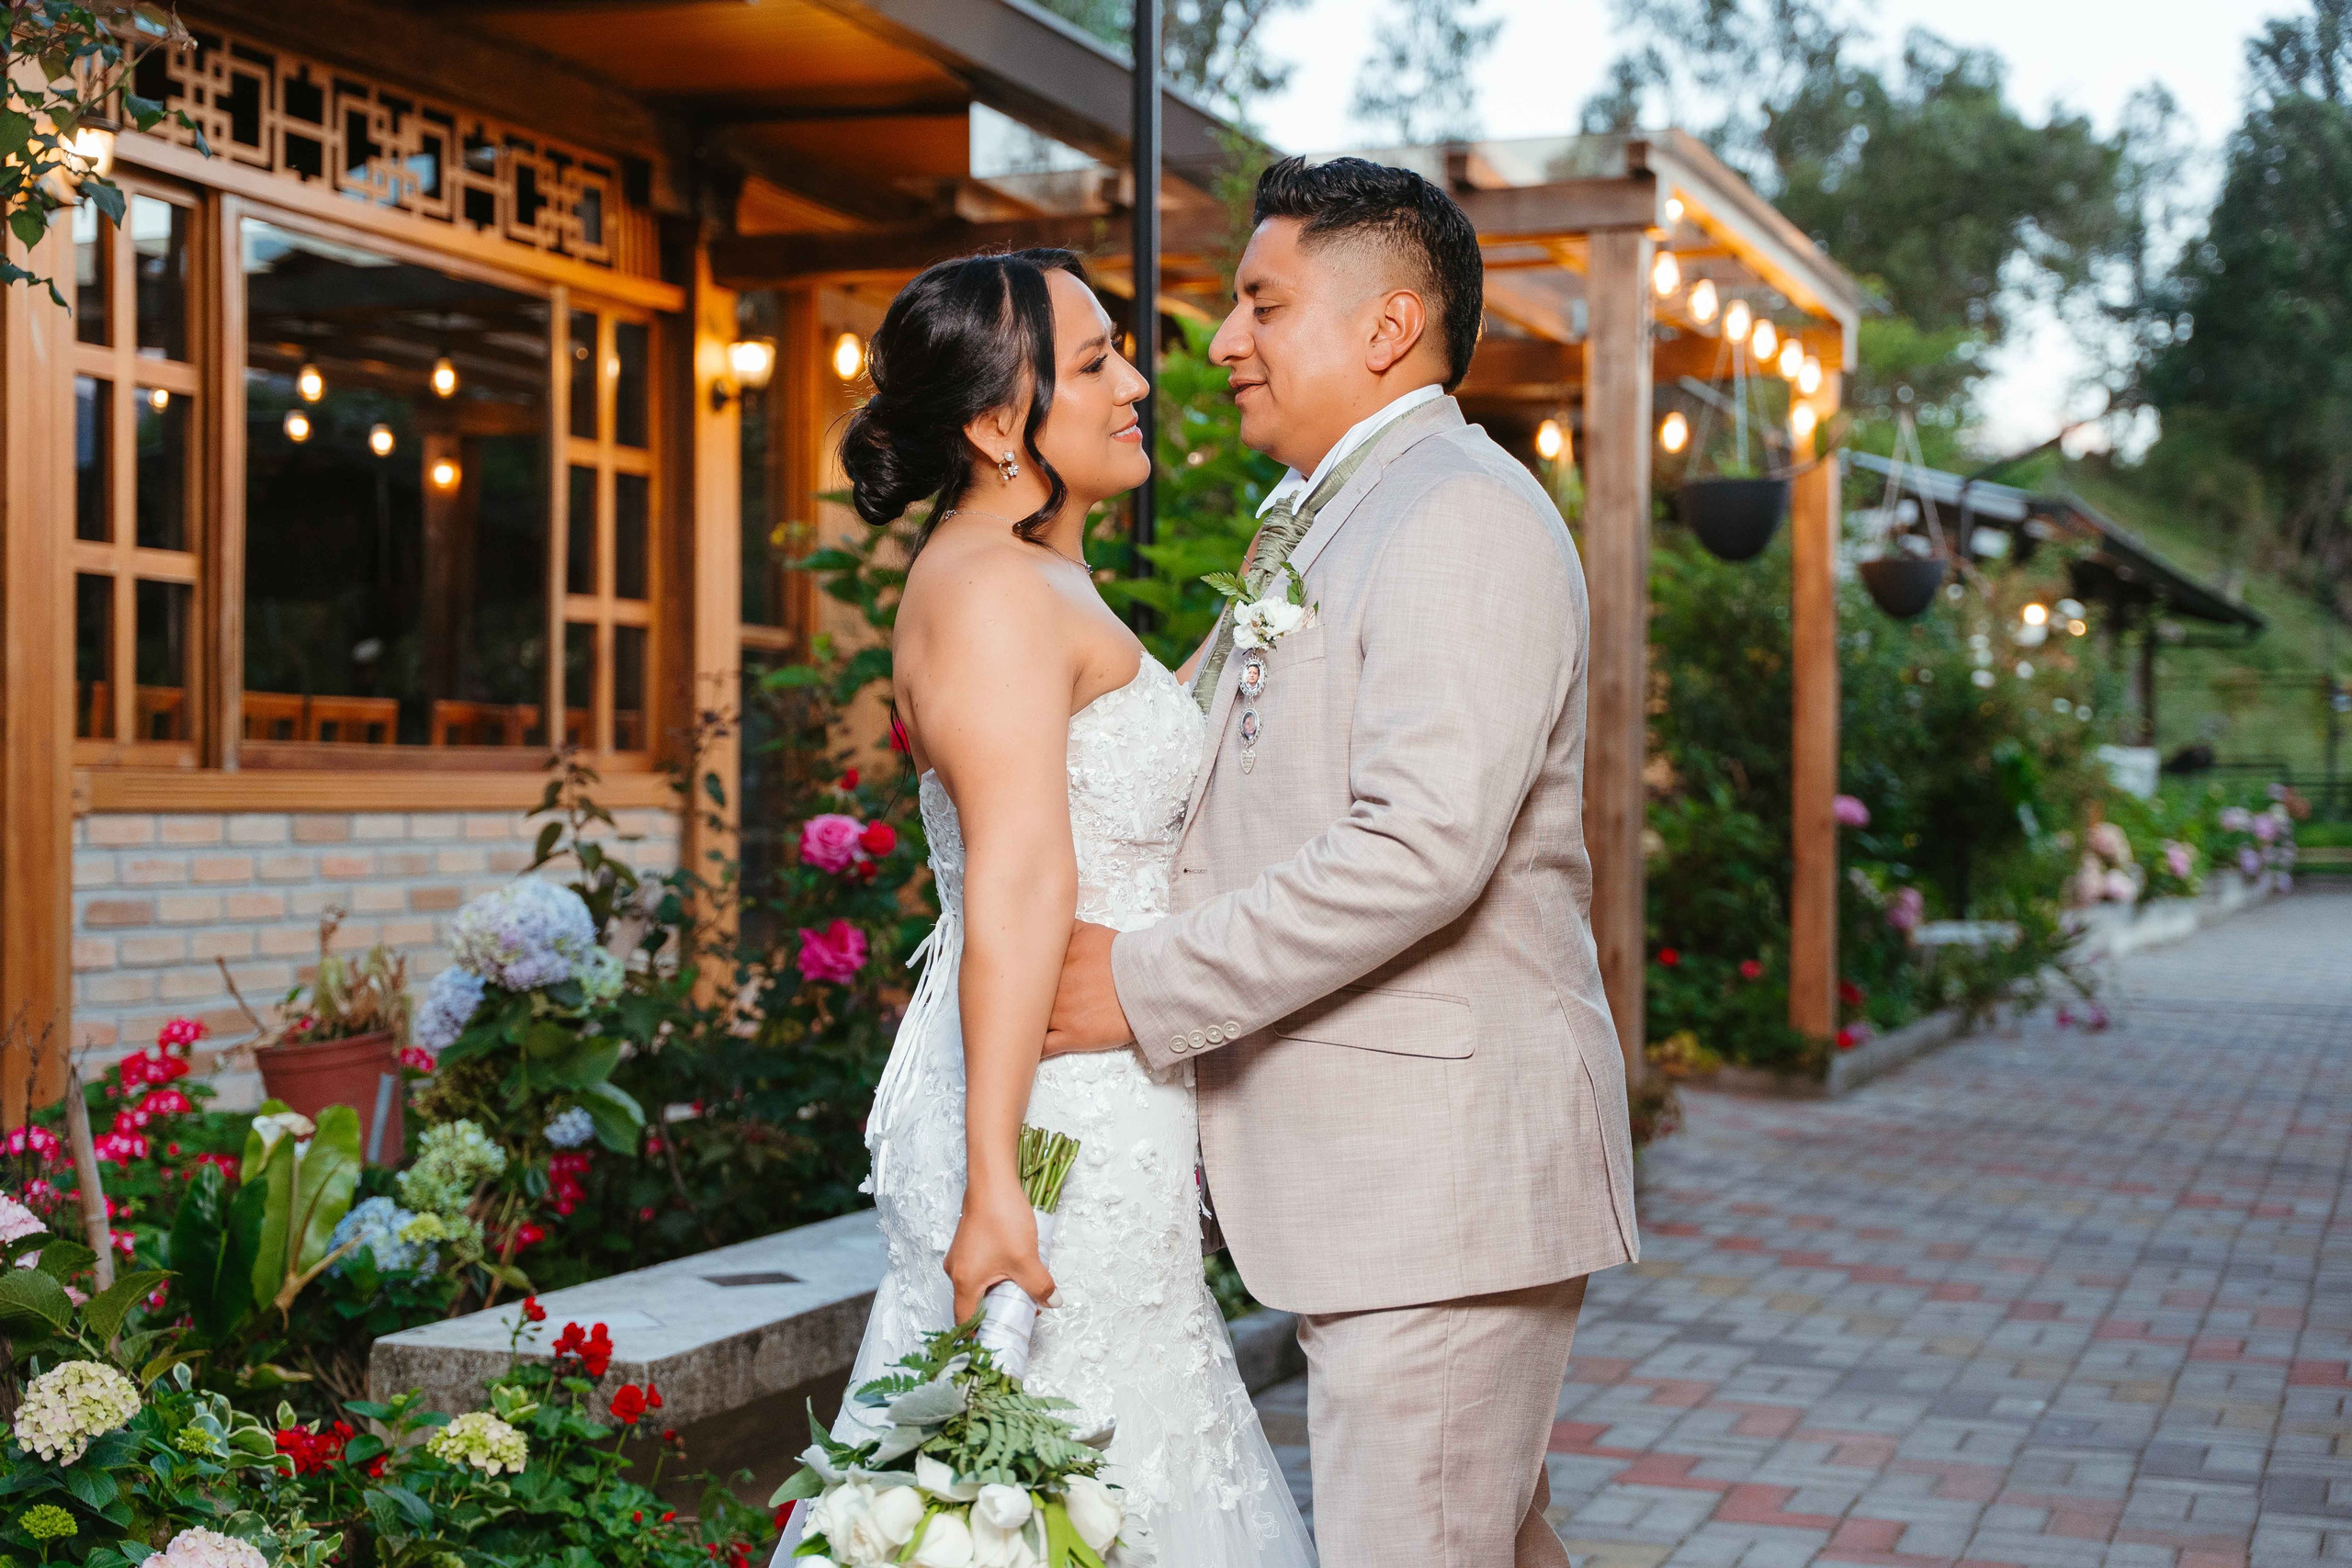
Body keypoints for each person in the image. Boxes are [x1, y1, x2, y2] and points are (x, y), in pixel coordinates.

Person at [1042, 157, 1640, 1567]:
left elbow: (1420, 849)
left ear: (1387, 328)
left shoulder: (1461, 515)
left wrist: (1141, 983)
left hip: (1440, 1191)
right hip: (1390, 1191)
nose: (1222, 341)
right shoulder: (1330, 511)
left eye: (1262, 302)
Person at [794, 247, 1317, 1568]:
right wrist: (989, 1189)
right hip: (1037, 1114)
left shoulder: (1029, 578)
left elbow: (1110, 767)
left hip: (1091, 1087)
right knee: (1038, 1464)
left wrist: (1262, 593)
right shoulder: (987, 593)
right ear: (991, 423)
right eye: (1095, 364)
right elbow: (1025, 873)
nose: (1137, 383)